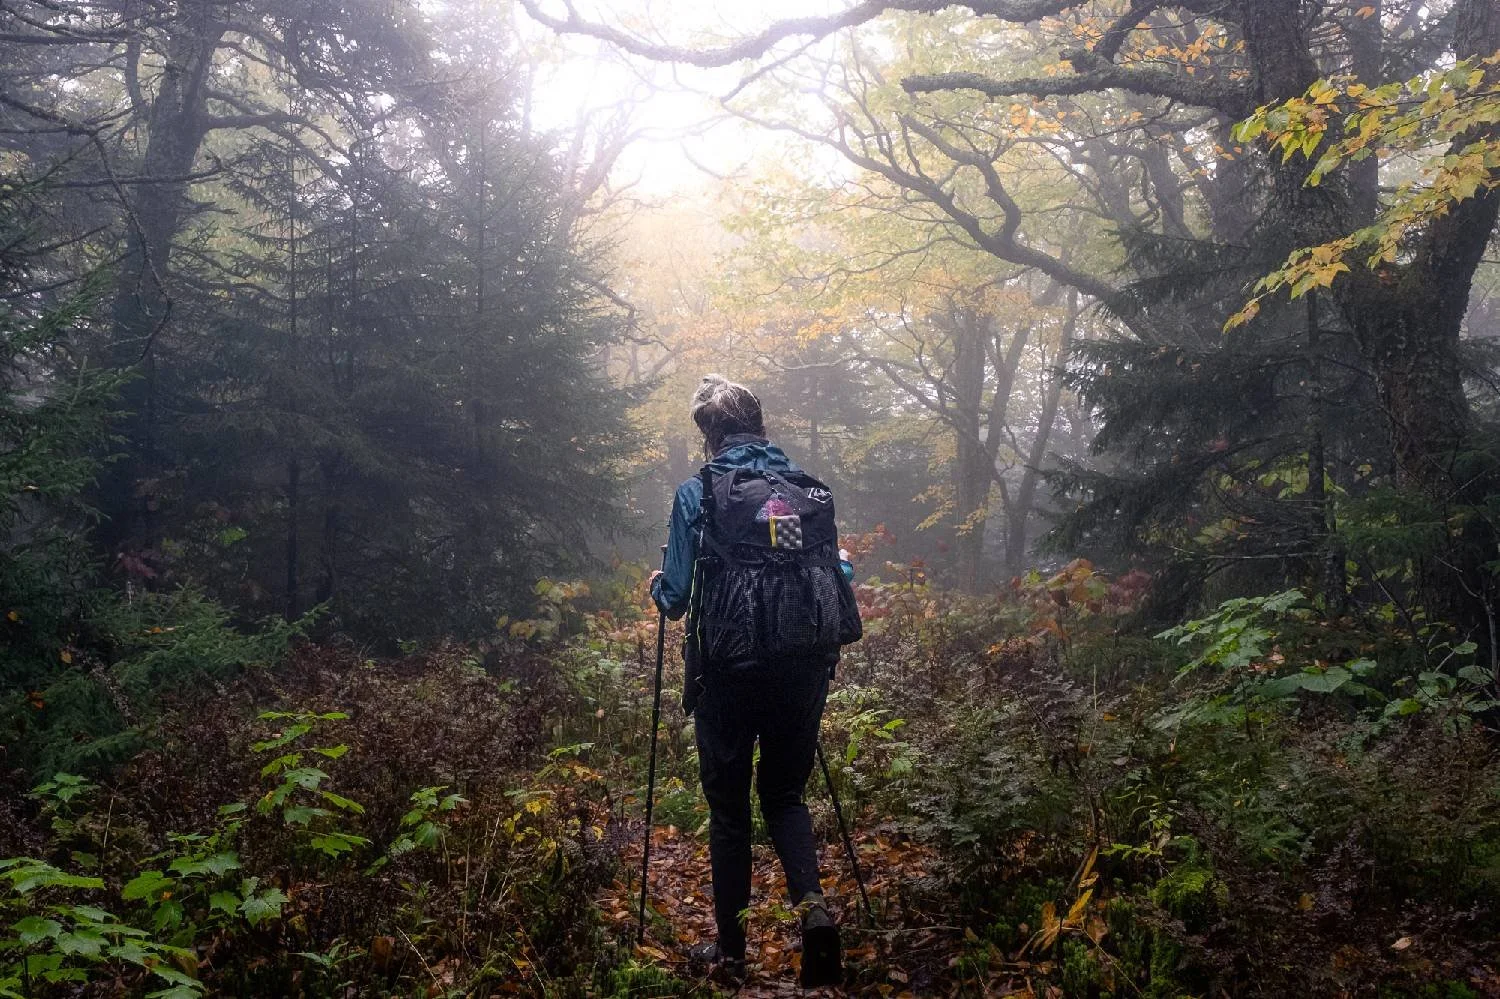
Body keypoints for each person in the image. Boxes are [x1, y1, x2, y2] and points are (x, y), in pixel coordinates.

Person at [650, 374, 844, 986]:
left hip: (728, 671)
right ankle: (813, 911)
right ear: (760, 426)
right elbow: (823, 569)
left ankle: (732, 954)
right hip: (802, 665)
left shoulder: (698, 494)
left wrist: (660, 585)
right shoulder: (807, 490)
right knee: (785, 794)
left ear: (709, 435)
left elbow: (677, 598)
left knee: (729, 810)